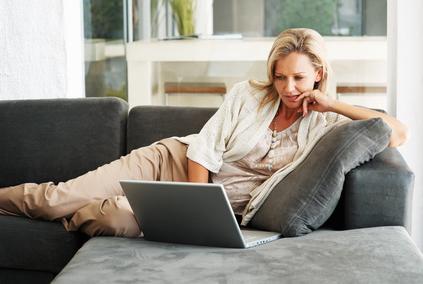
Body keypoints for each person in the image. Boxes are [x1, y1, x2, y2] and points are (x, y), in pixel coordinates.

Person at [0, 28, 407, 237]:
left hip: (219, 207)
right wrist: (197, 209)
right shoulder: (247, 96)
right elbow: (202, 153)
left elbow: (394, 133)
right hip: (173, 164)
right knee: (53, 199)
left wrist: (332, 103)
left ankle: (73, 216)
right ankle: (45, 206)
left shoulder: (327, 121)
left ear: (319, 73)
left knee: (113, 218)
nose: (288, 88)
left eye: (299, 78)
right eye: (279, 77)